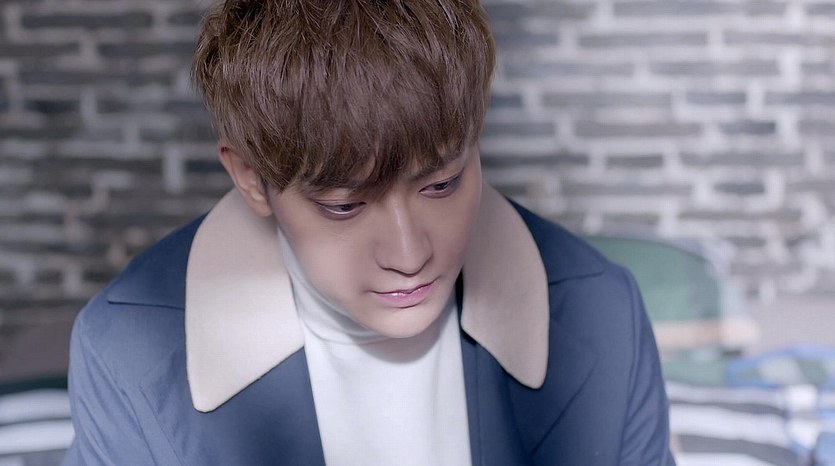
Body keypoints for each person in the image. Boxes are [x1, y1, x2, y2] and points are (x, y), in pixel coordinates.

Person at [62, 0, 675, 464]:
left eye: (442, 184)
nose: (410, 254)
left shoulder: (603, 310)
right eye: (344, 206)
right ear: (251, 178)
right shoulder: (126, 351)